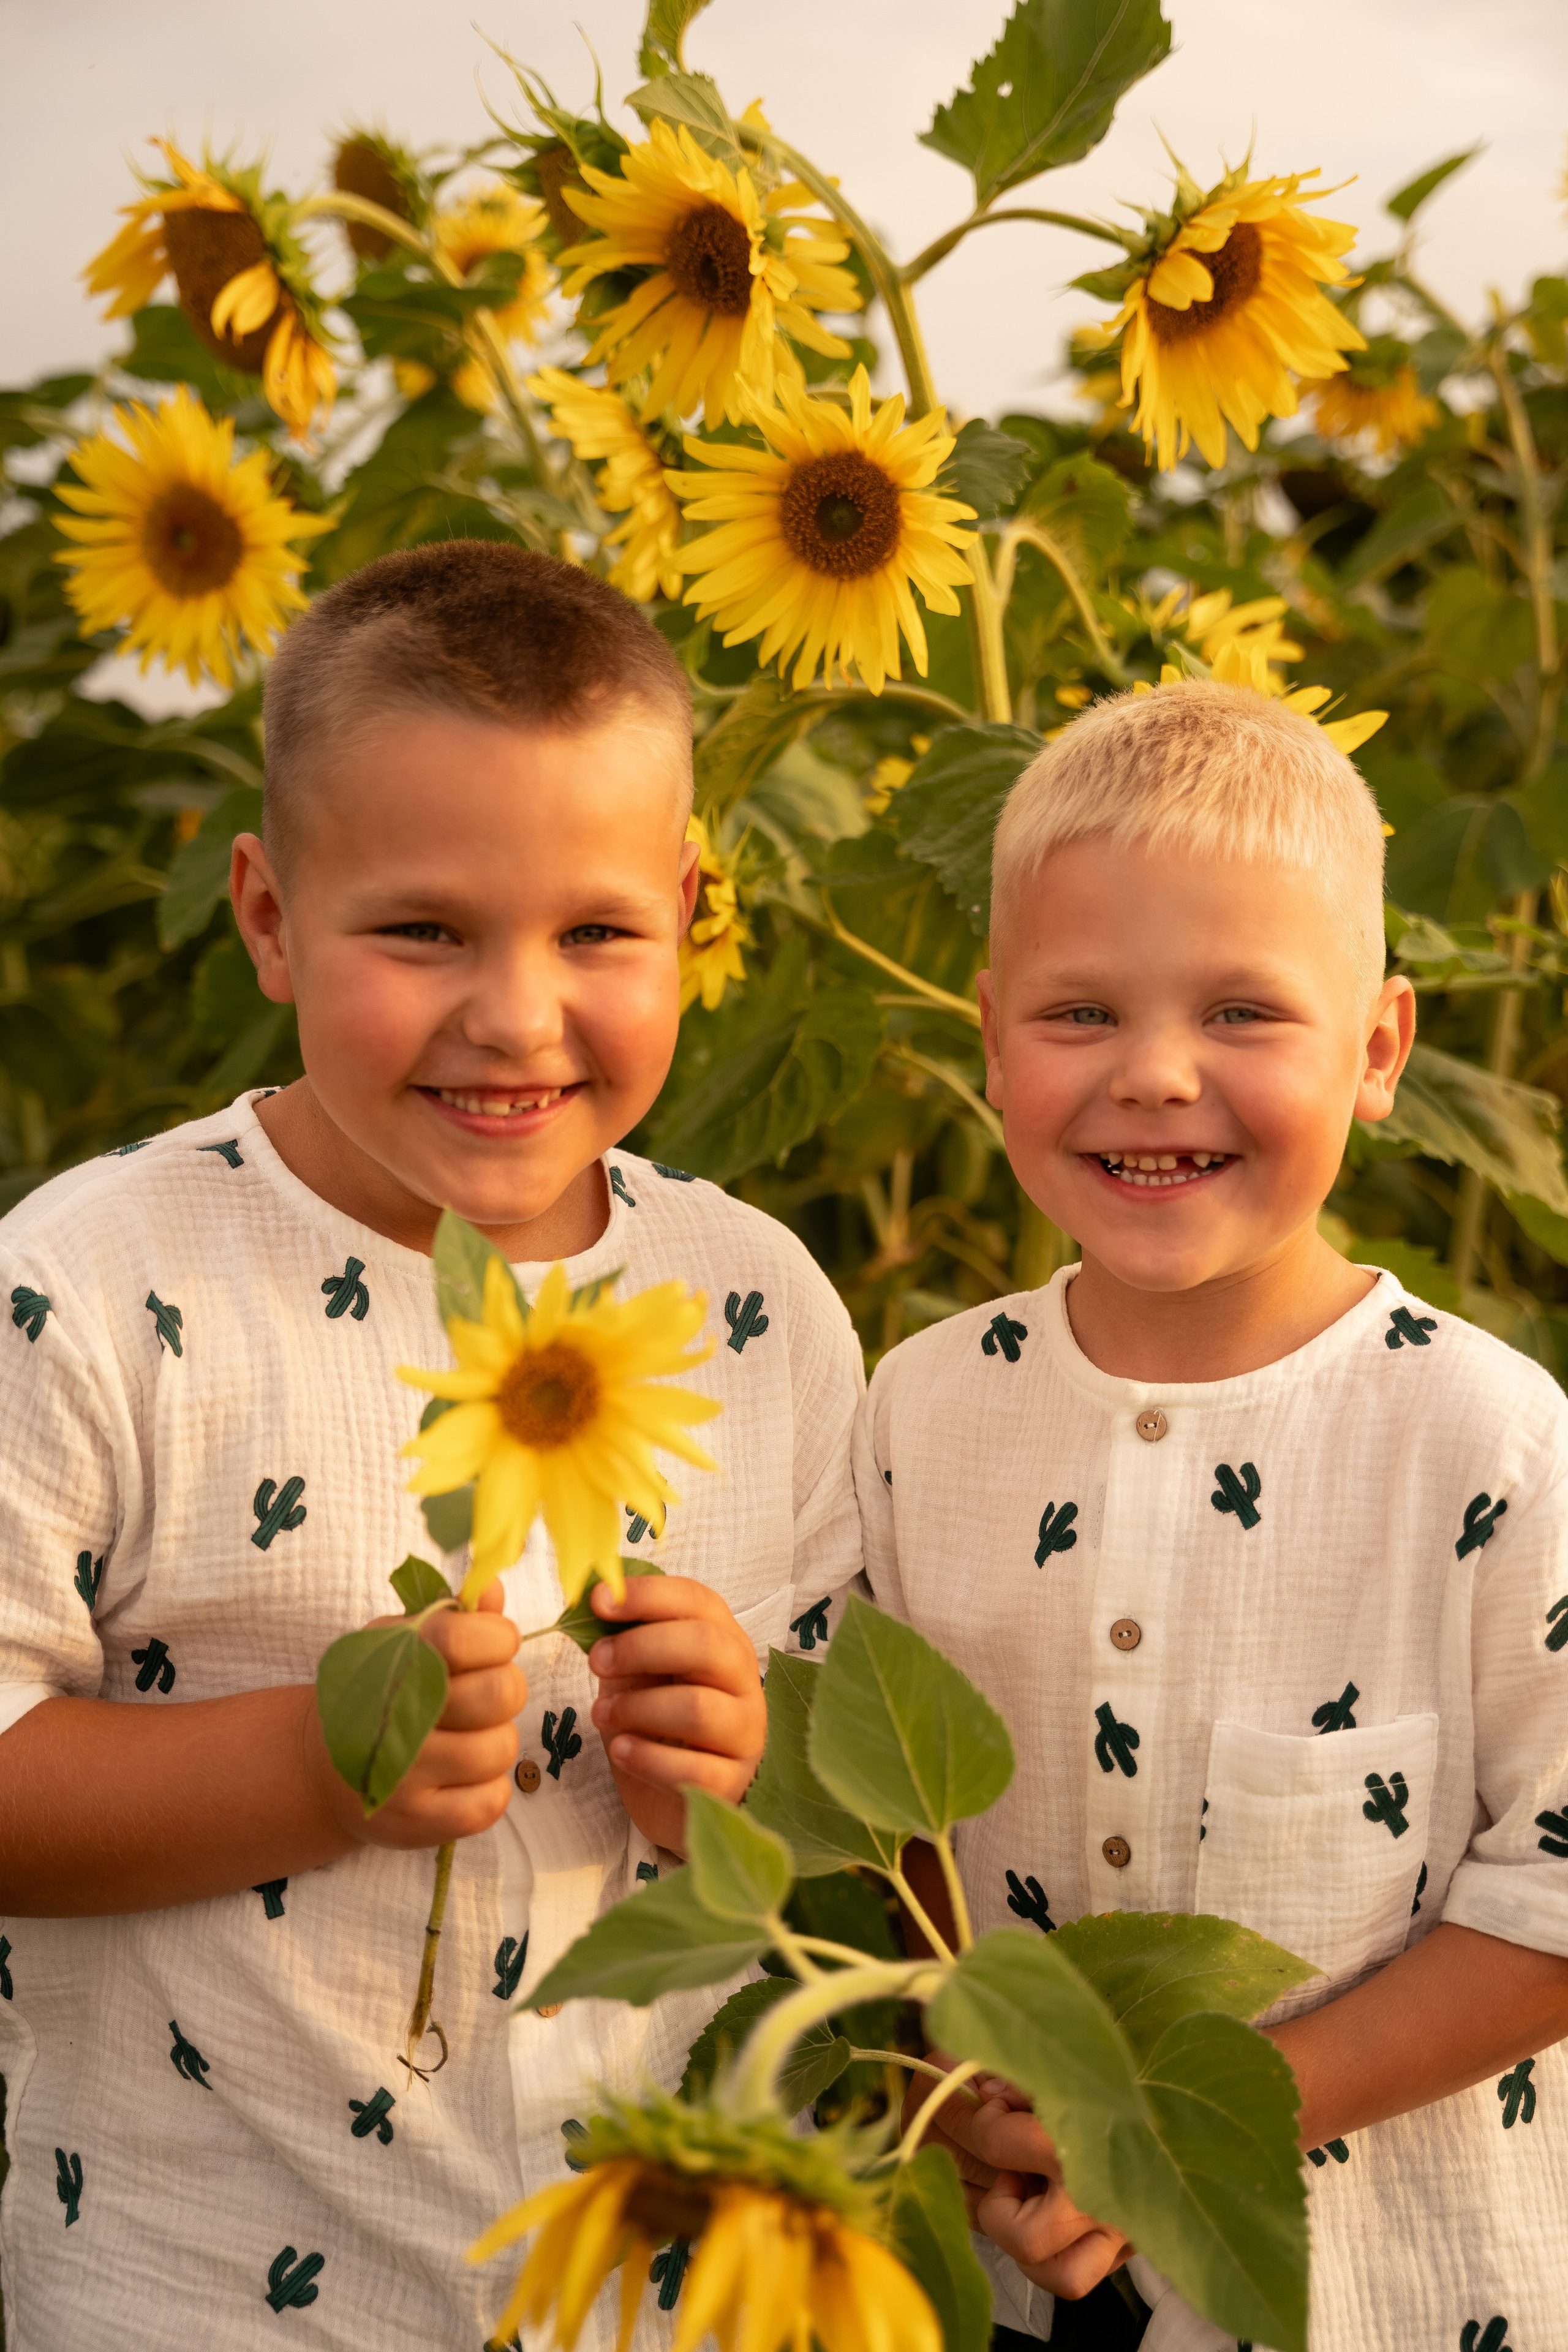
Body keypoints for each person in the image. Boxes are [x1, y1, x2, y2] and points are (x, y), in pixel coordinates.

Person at [0, 542, 864, 2350]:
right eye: (423, 932)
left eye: (597, 933)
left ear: (691, 912)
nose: (516, 1014)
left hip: (651, 2294)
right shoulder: (89, 1290)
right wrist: (314, 1769)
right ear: (267, 917)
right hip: (205, 2294)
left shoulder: (755, 1303)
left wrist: (730, 1771)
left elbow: (826, 1828)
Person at [854, 679, 1568, 2351]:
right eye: (1081, 1013)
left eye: (1243, 1012)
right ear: (990, 1039)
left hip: (1389, 2295)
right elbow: (889, 1819)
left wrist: (1176, 2127)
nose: (1157, 1075)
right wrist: (952, 2071)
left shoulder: (1484, 1441)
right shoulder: (922, 1412)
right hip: (1012, 2287)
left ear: (1379, 1050)